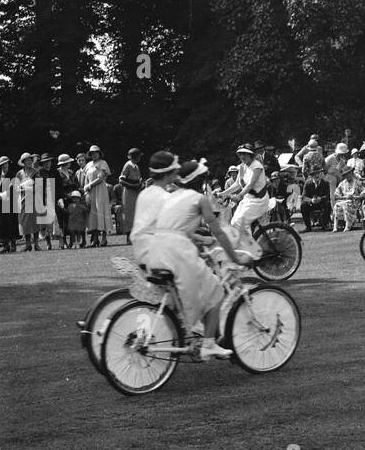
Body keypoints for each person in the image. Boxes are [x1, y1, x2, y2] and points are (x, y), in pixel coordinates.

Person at [134, 157, 240, 361]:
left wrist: (199, 238)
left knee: (191, 292)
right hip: (176, 251)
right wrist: (235, 257)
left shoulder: (171, 197)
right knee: (216, 289)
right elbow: (218, 232)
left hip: (156, 249)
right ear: (201, 181)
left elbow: (176, 228)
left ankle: (192, 334)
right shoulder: (199, 199)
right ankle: (208, 344)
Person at [224, 144, 273, 251]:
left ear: (251, 155)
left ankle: (251, 251)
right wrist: (223, 193)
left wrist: (239, 196)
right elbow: (237, 184)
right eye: (240, 154)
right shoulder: (242, 166)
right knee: (233, 223)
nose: (242, 157)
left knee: (241, 223)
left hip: (259, 201)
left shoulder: (257, 166)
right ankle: (245, 248)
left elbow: (250, 184)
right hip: (248, 199)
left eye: (244, 154)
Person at [83, 145, 111, 247]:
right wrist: (86, 190)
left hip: (100, 191)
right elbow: (86, 178)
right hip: (91, 192)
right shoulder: (89, 165)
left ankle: (104, 238)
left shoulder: (103, 163)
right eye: (92, 153)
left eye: (96, 153)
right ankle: (95, 239)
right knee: (93, 213)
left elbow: (101, 178)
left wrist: (90, 185)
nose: (94, 155)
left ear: (99, 153)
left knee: (101, 211)